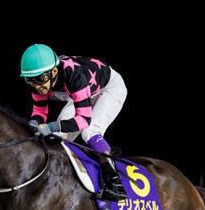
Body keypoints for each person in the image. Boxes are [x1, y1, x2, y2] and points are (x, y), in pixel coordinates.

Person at [19, 43, 128, 201]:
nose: (37, 86)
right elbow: (39, 112)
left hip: (109, 88)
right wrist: (33, 126)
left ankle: (116, 183)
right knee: (58, 135)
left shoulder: (74, 75)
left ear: (54, 72)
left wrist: (50, 127)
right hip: (84, 91)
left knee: (90, 131)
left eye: (41, 79)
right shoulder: (39, 83)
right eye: (30, 80)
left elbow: (83, 120)